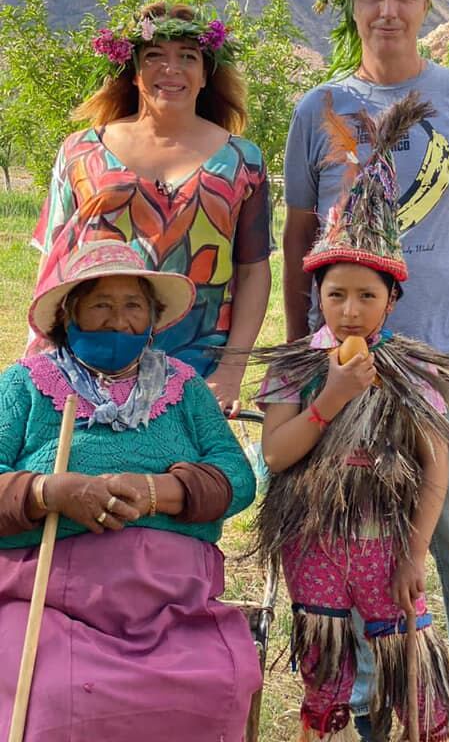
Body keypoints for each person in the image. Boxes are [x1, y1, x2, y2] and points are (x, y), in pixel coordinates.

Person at [283, 0, 449, 742]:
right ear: (350, 2)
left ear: (427, 3)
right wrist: (302, 355)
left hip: (445, 360)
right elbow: (297, 238)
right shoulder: (320, 109)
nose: (388, 8)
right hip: (346, 362)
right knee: (363, 532)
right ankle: (374, 699)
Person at [255, 94, 449, 741]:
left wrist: (414, 555)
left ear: (391, 299)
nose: (349, 309)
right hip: (312, 546)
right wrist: (333, 397)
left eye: (366, 295)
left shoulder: (413, 372)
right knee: (324, 687)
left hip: (387, 551)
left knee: (419, 683)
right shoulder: (294, 368)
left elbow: (434, 469)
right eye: (336, 293)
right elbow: (276, 455)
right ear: (315, 293)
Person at [0, 239, 262, 740]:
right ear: (69, 314)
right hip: (49, 602)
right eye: (101, 304)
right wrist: (49, 493)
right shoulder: (24, 387)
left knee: (213, 686)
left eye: (132, 306)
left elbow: (237, 476)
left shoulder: (184, 387)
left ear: (152, 319)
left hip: (173, 605)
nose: (118, 321)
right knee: (52, 694)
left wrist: (159, 491)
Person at [32, 0, 272, 411]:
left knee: (179, 475)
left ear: (205, 74)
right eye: (155, 56)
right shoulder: (81, 152)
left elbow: (253, 271)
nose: (171, 68)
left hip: (196, 369)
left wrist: (232, 369)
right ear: (134, 70)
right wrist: (41, 358)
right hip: (87, 360)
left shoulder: (242, 163)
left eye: (188, 57)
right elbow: (53, 264)